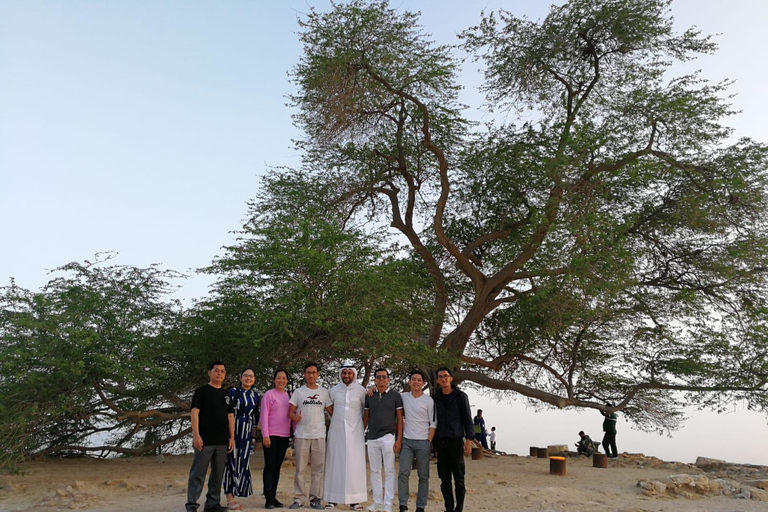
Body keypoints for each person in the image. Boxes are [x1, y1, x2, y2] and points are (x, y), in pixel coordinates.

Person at [186, 361, 235, 512]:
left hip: (222, 441)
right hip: (204, 441)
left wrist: (232, 437)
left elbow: (230, 416)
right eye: (216, 370)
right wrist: (196, 435)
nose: (219, 373)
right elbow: (194, 412)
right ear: (209, 373)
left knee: (217, 475)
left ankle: (212, 504)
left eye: (222, 371)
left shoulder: (226, 394)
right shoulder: (201, 392)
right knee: (198, 474)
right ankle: (192, 505)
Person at [289, 362, 332, 510]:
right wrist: (296, 418)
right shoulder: (298, 392)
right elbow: (290, 412)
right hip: (302, 435)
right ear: (304, 374)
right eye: (308, 372)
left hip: (319, 434)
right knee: (300, 469)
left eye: (314, 372)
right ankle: (299, 499)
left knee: (318, 469)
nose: (311, 375)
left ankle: (315, 499)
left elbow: (332, 412)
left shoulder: (324, 392)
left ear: (318, 374)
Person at [324, 365, 367, 510]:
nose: (347, 375)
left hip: (356, 433)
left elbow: (366, 411)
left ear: (354, 374)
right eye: (344, 373)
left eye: (349, 373)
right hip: (336, 432)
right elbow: (330, 409)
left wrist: (361, 427)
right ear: (340, 374)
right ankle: (332, 499)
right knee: (335, 464)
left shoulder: (361, 390)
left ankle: (355, 501)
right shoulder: (334, 390)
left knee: (355, 465)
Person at [432, 367, 474, 512]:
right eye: (440, 377)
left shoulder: (461, 396)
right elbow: (433, 422)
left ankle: (459, 508)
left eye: (446, 376)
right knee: (444, 480)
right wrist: (435, 446)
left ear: (451, 378)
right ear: (437, 380)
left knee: (459, 478)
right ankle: (449, 508)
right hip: (441, 443)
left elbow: (467, 419)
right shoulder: (435, 399)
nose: (443, 379)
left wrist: (468, 440)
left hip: (456, 442)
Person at [363, 368, 404, 512]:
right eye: (379, 377)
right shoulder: (370, 395)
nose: (381, 379)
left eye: (384, 377)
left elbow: (400, 418)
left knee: (390, 471)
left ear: (388, 379)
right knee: (375, 471)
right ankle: (377, 503)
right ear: (375, 379)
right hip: (372, 438)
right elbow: (366, 417)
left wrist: (399, 440)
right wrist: (361, 435)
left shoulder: (395, 395)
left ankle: (388, 504)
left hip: (388, 437)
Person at [398, 370, 436, 512]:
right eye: (413, 379)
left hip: (423, 442)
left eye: (419, 380)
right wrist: (372, 389)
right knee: (403, 473)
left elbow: (433, 422)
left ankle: (420, 506)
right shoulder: (403, 397)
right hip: (407, 441)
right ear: (409, 382)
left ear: (423, 383)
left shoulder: (428, 401)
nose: (416, 382)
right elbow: (387, 394)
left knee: (423, 476)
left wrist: (429, 440)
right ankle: (403, 504)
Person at [223, 368, 260, 511]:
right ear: (240, 377)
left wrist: (254, 438)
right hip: (233, 429)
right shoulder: (232, 392)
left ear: (254, 379)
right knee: (230, 462)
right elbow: (226, 412)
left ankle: (237, 493)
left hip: (247, 432)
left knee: (242, 463)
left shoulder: (255, 395)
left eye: (251, 376)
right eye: (246, 376)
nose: (248, 378)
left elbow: (255, 418)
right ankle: (229, 498)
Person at [261, 369, 292, 509]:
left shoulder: (290, 396)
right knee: (270, 466)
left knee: (277, 467)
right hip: (271, 436)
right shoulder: (269, 395)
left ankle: (273, 496)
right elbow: (264, 416)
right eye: (279, 378)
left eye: (284, 378)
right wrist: (265, 435)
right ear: (274, 380)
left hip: (284, 436)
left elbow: (292, 416)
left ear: (287, 380)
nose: (281, 381)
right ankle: (268, 498)